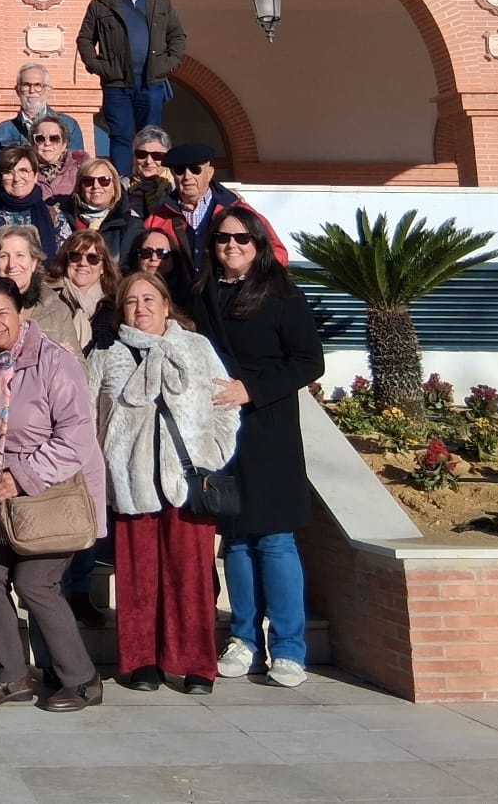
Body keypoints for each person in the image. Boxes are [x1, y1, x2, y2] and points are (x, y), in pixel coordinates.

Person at [0, 276, 106, 714]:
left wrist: (24, 476)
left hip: (53, 493)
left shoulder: (54, 362)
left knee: (34, 581)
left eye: (3, 312)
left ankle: (82, 679)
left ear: (21, 314)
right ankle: (11, 675)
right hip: (0, 497)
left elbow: (78, 437)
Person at [90, 270, 239, 697]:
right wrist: (107, 463)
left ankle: (196, 665)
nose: (141, 308)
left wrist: (215, 450)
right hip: (132, 482)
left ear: (166, 304)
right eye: (132, 301)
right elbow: (90, 413)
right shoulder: (109, 353)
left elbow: (225, 403)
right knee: (137, 579)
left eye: (149, 299)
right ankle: (141, 662)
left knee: (190, 577)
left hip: (187, 480)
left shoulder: (196, 347)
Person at [197, 206, 325, 689]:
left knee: (274, 539)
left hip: (268, 428)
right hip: (223, 432)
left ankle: (289, 649)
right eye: (222, 239)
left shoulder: (282, 295)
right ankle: (244, 639)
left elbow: (309, 362)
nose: (231, 246)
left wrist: (251, 389)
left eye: (241, 240)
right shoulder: (204, 291)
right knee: (237, 540)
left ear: (257, 244)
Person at [78, 0, 188, 179]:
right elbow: (85, 39)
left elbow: (177, 35)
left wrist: (168, 64)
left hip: (152, 81)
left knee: (152, 136)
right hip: (117, 84)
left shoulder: (160, 1)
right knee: (120, 134)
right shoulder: (101, 5)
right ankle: (123, 183)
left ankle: (154, 182)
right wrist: (98, 66)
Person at [146, 144, 289, 268]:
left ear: (210, 173)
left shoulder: (237, 209)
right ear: (173, 175)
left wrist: (250, 278)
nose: (187, 176)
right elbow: (141, 258)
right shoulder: (159, 216)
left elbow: (277, 252)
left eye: (195, 169)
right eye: (180, 170)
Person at [0, 146, 66, 284]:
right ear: (0, 177)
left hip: (42, 290)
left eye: (24, 171)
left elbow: (64, 256)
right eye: (9, 172)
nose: (17, 179)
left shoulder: (53, 214)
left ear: (35, 176)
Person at [36, 228, 119, 357]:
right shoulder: (45, 296)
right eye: (75, 256)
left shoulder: (115, 303)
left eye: (93, 258)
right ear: (66, 260)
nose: (83, 263)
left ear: (103, 267)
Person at [0, 65, 88, 157]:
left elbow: (77, 167)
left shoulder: (69, 125)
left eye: (38, 85)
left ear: (48, 90)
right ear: (17, 90)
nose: (32, 90)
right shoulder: (3, 131)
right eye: (26, 85)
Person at [58, 159, 143, 264]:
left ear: (115, 187)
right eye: (88, 181)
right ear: (79, 187)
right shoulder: (63, 219)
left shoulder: (131, 225)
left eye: (104, 181)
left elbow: (132, 269)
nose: (96, 186)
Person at [126, 225, 199, 323]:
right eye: (146, 252)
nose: (154, 258)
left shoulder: (190, 295)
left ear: (174, 258)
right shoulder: (123, 289)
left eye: (162, 253)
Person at [31, 115, 91, 201]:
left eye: (54, 138)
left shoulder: (80, 170)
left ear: (64, 144)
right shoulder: (25, 171)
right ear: (33, 144)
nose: (47, 143)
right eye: (40, 138)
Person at [125, 127, 175, 217]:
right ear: (133, 156)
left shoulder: (178, 187)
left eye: (157, 155)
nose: (148, 161)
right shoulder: (119, 187)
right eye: (141, 154)